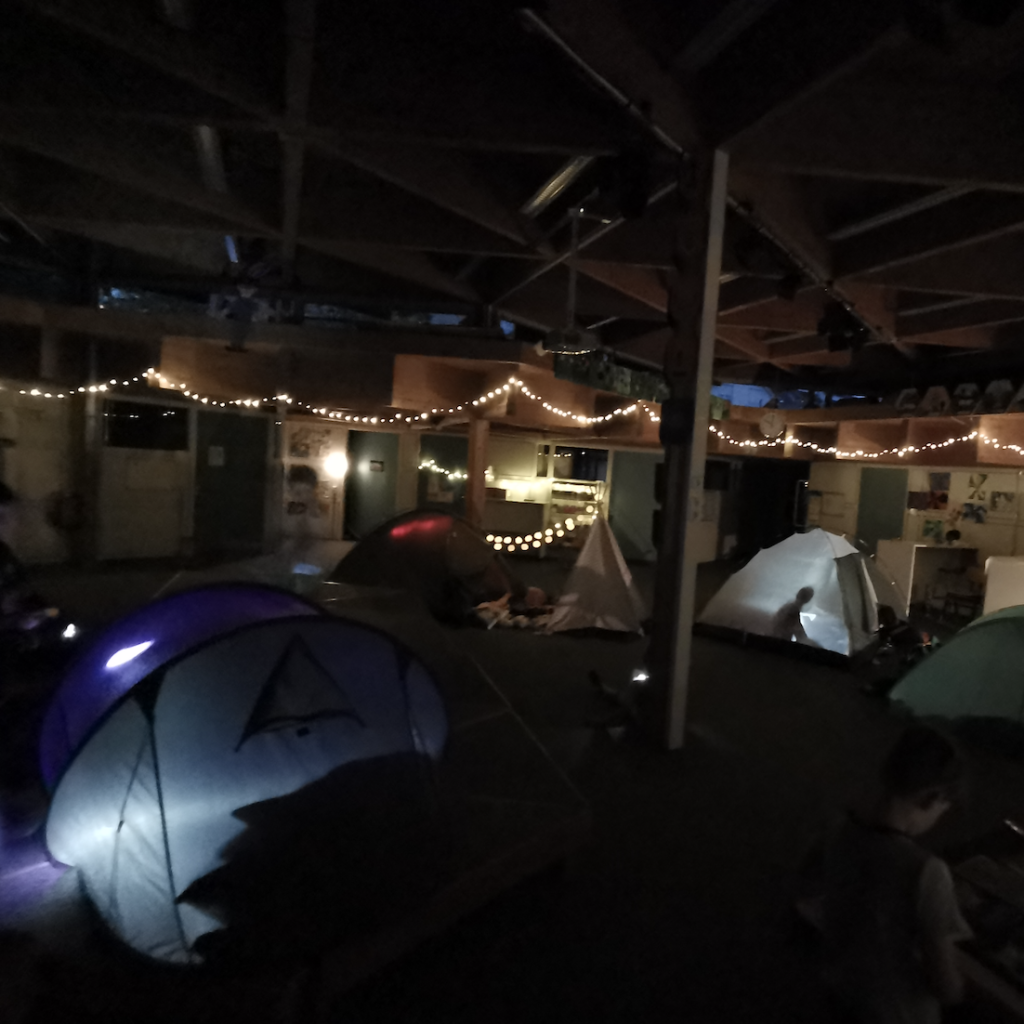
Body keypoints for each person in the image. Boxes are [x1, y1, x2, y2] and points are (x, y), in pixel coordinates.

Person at [821, 726, 971, 1023]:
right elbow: (946, 988)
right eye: (943, 809)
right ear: (932, 798)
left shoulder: (837, 831)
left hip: (842, 999)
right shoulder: (926, 871)